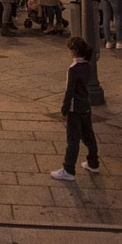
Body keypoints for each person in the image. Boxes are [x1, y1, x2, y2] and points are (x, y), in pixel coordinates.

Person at [52, 36, 100, 181]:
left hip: (74, 108)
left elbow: (69, 91)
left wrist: (64, 110)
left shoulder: (73, 69)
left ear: (73, 51)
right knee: (89, 136)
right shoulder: (88, 66)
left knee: (73, 139)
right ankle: (93, 162)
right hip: (85, 106)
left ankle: (69, 169)